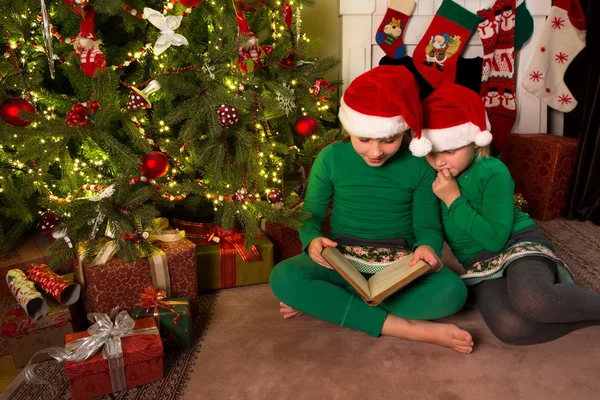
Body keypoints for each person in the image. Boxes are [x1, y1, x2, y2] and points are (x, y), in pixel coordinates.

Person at [270, 66, 474, 354]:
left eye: (388, 140)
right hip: (342, 261)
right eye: (364, 140)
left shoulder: (419, 164)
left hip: (399, 265)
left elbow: (427, 225)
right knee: (283, 277)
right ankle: (405, 328)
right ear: (350, 128)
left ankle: (331, 304)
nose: (375, 152)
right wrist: (312, 241)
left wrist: (428, 247)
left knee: (453, 292)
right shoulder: (331, 158)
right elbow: (310, 217)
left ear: (402, 131)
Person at [418, 80, 600, 345]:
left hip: (517, 243)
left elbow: (494, 239)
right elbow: (428, 226)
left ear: (474, 141)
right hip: (479, 263)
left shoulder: (493, 171)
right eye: (432, 152)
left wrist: (453, 200)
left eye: (449, 150)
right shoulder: (429, 176)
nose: (439, 161)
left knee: (534, 300)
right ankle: (587, 317)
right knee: (510, 328)